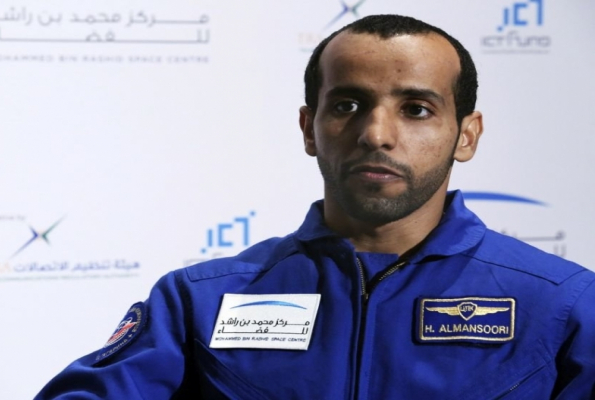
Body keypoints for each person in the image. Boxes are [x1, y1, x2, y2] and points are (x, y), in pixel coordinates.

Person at [35, 15, 595, 399]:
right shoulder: (198, 301)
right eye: (348, 104)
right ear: (310, 128)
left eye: (416, 109)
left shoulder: (563, 304)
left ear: (466, 135)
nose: (376, 134)